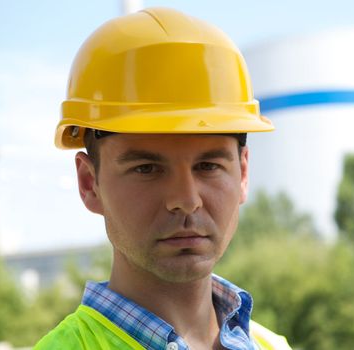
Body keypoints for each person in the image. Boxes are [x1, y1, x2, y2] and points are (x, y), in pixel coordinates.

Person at [34, 7, 292, 350]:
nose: (186, 199)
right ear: (89, 184)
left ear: (243, 172)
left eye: (209, 166)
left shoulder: (270, 345)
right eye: (146, 169)